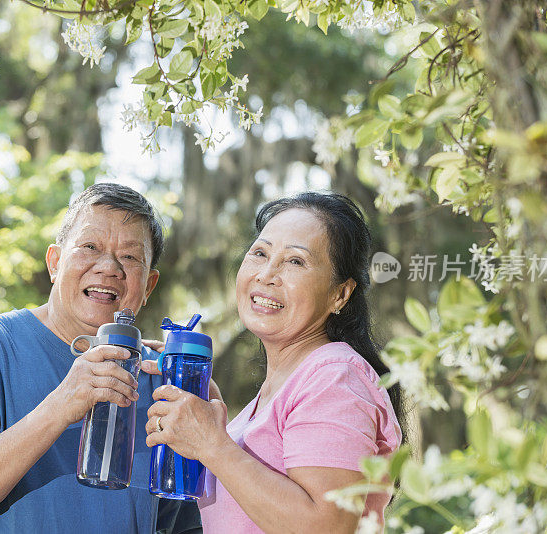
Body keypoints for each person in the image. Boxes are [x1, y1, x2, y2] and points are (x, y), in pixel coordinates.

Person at [0, 183, 201, 533]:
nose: (109, 267)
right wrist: (61, 405)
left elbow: (181, 524)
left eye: (130, 256)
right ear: (54, 262)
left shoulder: (162, 381)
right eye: (90, 247)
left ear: (149, 286)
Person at [142, 192, 403, 533]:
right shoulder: (282, 388)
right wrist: (208, 413)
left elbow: (328, 525)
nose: (267, 274)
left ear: (340, 293)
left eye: (295, 261)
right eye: (260, 253)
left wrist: (212, 444)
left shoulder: (334, 378)